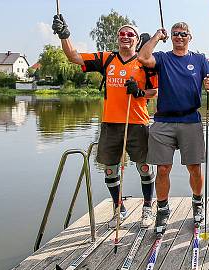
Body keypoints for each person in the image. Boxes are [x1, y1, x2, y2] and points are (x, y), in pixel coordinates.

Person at [52, 15, 158, 228]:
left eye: (130, 34)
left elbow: (155, 92)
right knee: (110, 169)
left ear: (137, 40)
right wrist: (64, 35)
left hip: (137, 122)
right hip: (111, 123)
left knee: (144, 167)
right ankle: (119, 208)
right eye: (122, 34)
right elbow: (73, 56)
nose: (125, 37)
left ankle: (148, 207)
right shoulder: (106, 58)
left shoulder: (145, 62)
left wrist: (139, 92)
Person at [138, 22, 209, 233]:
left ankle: (197, 204)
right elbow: (143, 58)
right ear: (170, 37)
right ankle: (162, 210)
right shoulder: (163, 58)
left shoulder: (199, 59)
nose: (179, 37)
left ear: (190, 36)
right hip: (164, 121)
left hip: (191, 120)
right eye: (175, 34)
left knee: (194, 167)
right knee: (163, 168)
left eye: (183, 34)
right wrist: (156, 36)